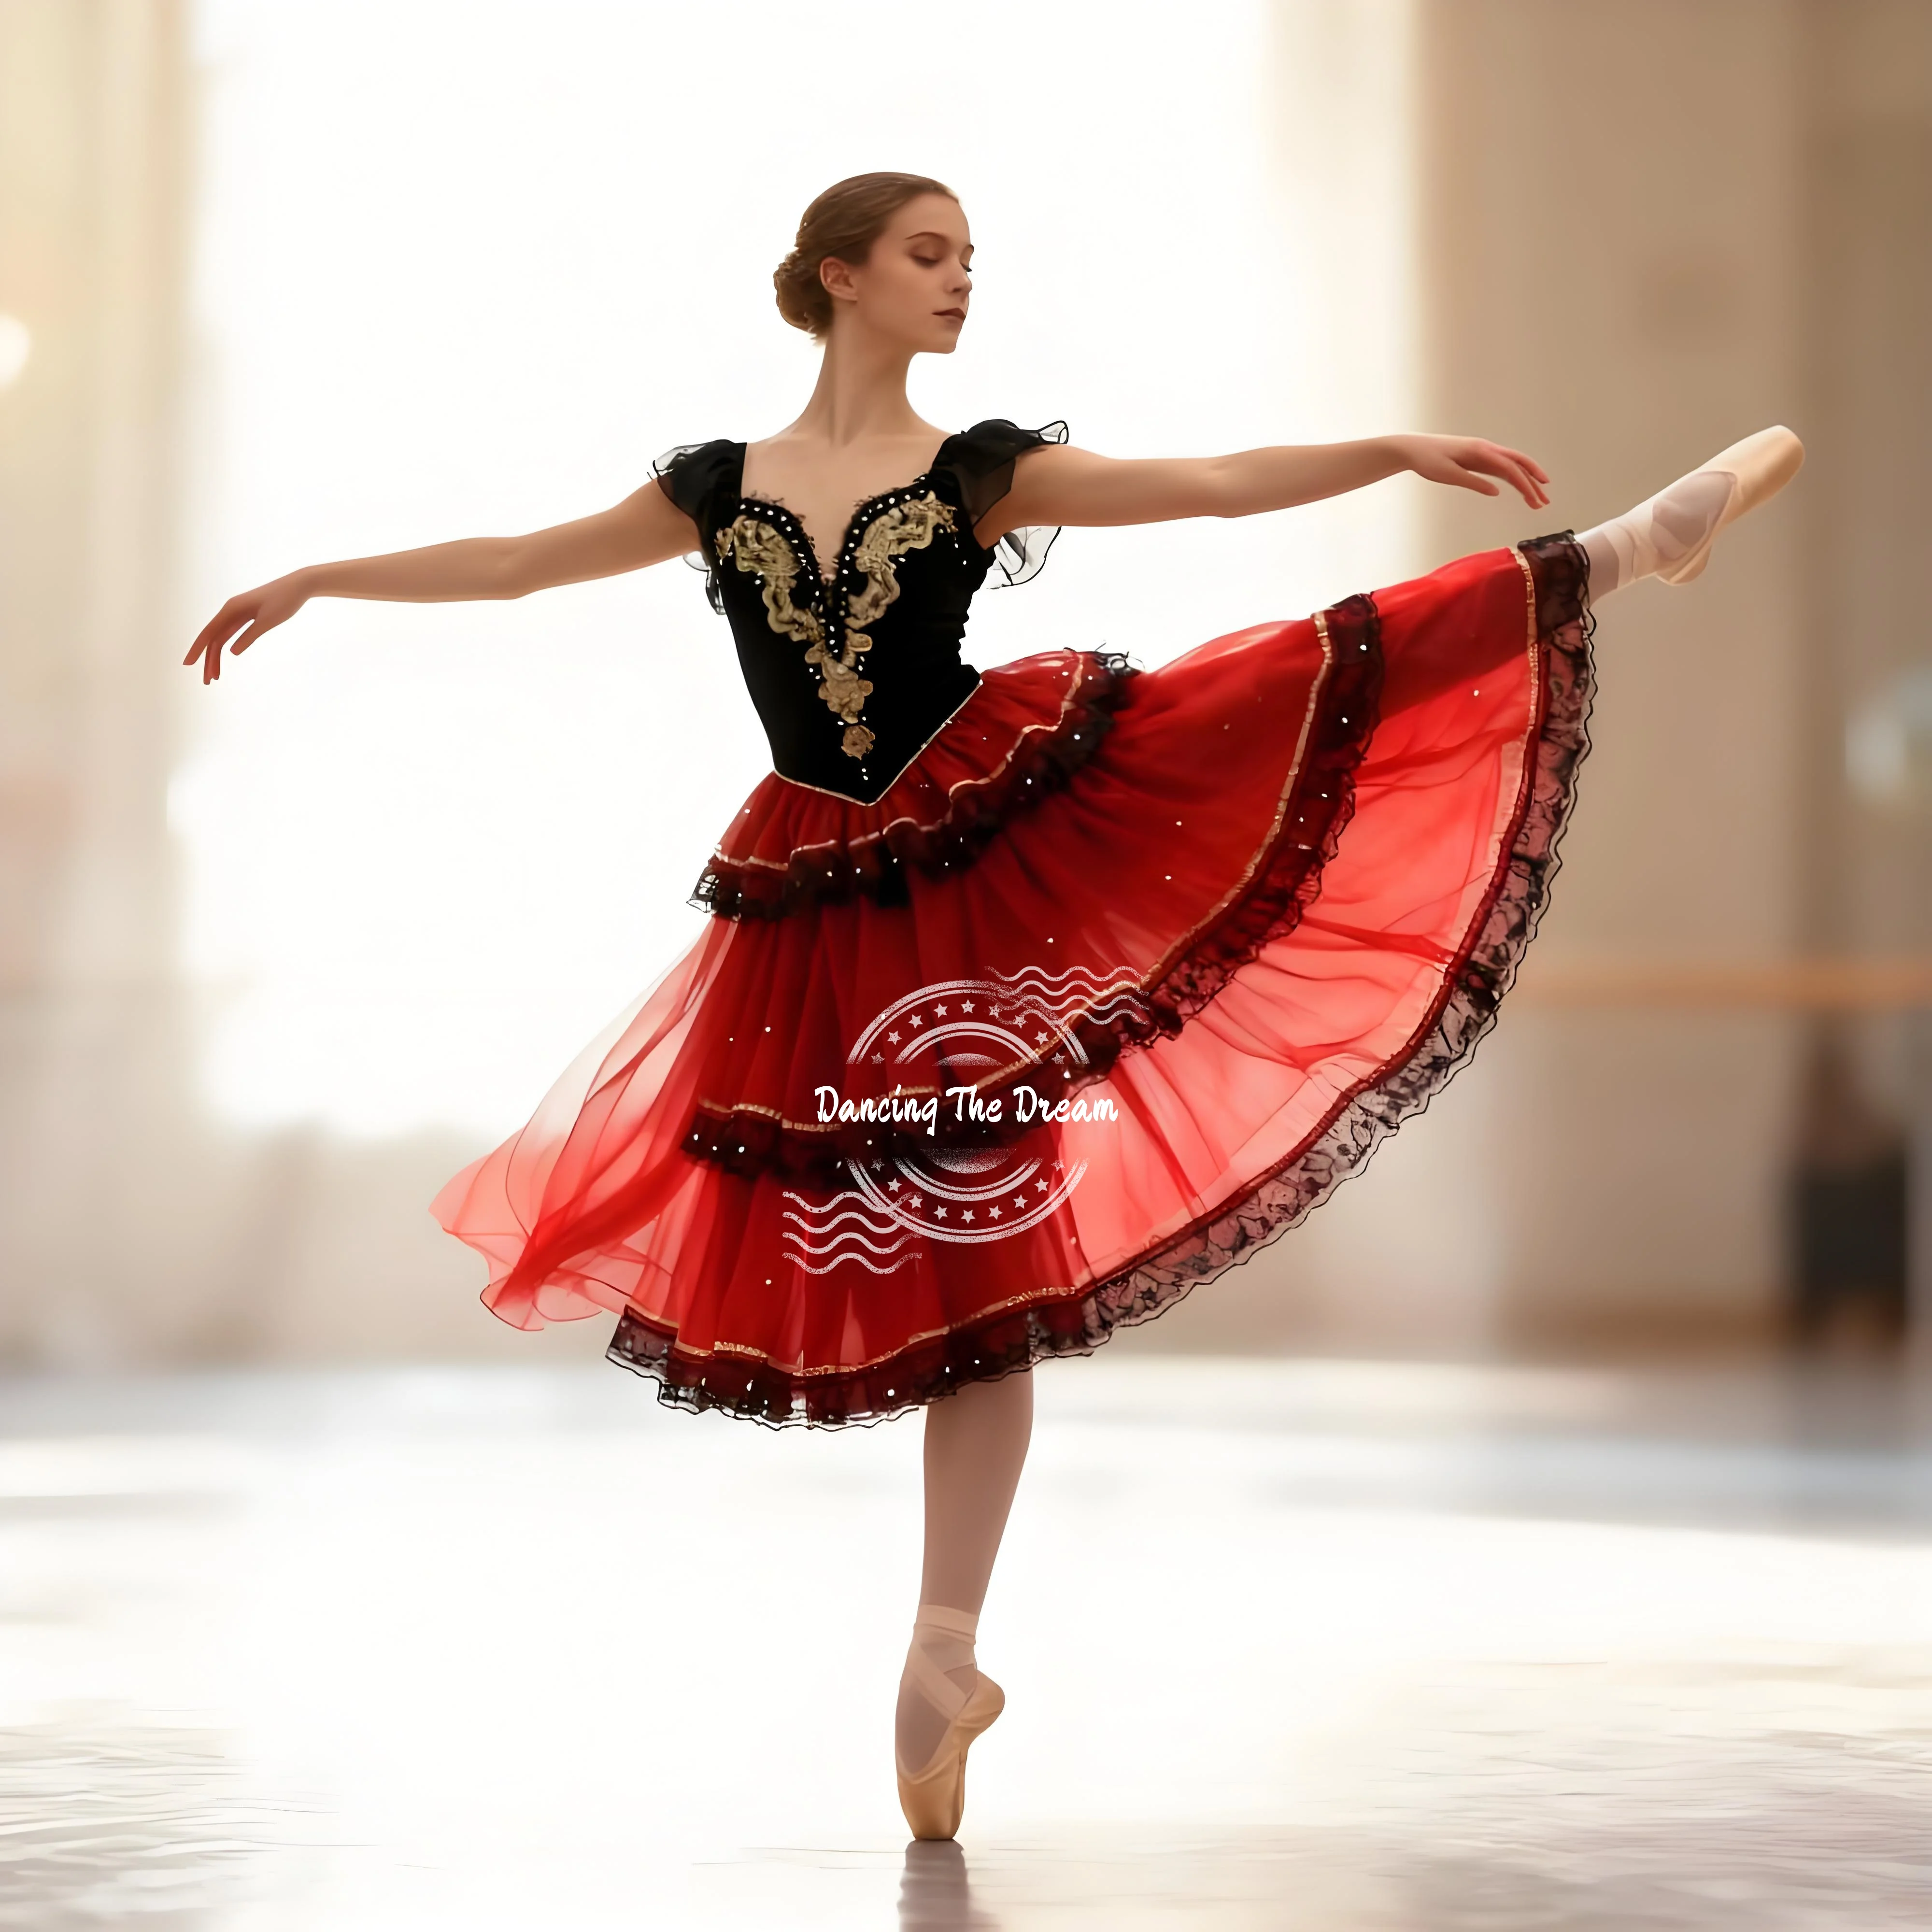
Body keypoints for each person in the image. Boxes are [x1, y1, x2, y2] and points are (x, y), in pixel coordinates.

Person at [185, 171, 1803, 1843]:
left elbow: (1208, 487)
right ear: (840, 276)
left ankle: (1619, 551)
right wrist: (318, 576)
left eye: (970, 258)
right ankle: (942, 1668)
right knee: (958, 1263)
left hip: (996, 838)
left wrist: (1387, 449)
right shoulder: (715, 485)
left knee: (1277, 699)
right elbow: (523, 561)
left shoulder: (978, 467)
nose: (961, 281)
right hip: (827, 896)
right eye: (929, 254)